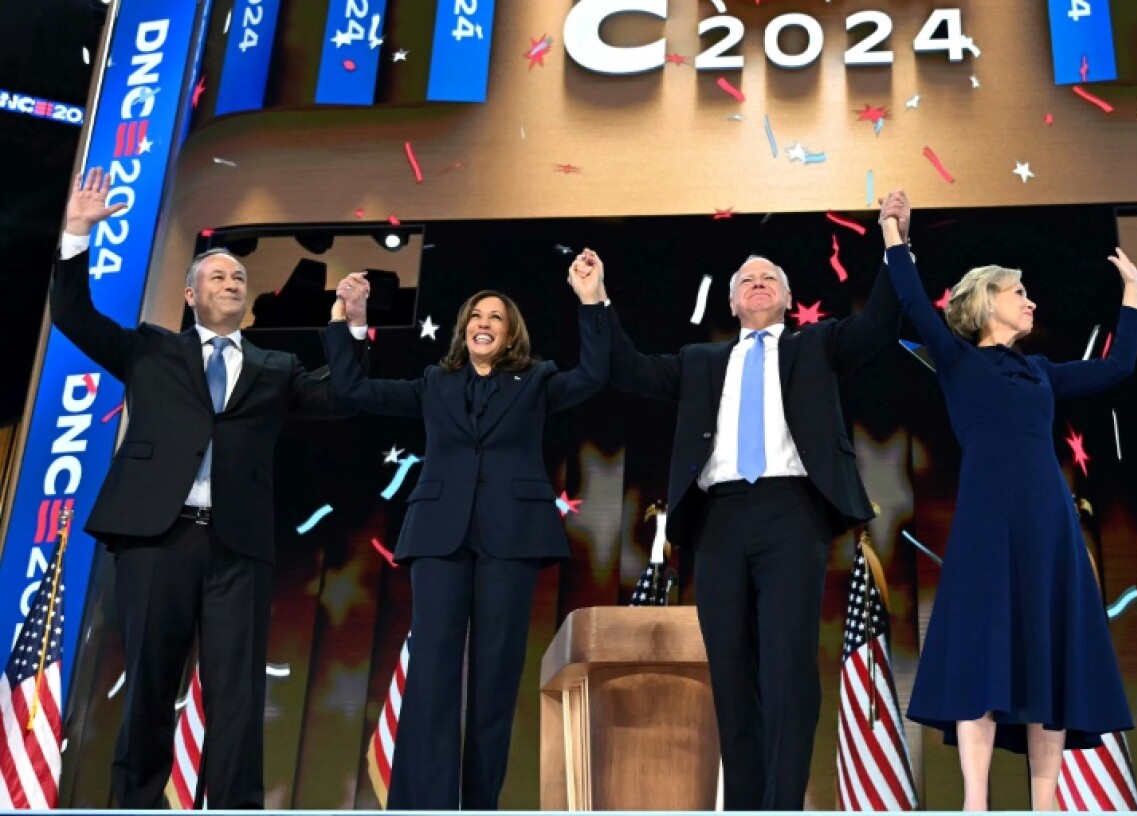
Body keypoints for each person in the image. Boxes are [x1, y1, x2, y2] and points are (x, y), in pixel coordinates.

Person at [573, 191, 908, 810]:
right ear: (731, 302)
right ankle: (749, 806)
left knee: (787, 669)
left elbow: (881, 325)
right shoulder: (701, 361)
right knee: (730, 674)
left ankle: (783, 804)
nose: (758, 284)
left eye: (769, 279)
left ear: (785, 297)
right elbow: (629, 370)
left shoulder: (818, 345)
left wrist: (894, 242)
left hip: (792, 513)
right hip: (718, 520)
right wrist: (596, 303)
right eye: (746, 280)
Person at [50, 168, 365, 808]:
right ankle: (134, 802)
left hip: (236, 548)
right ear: (192, 296)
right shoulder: (149, 350)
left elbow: (341, 397)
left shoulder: (275, 368)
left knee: (237, 691)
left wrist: (351, 327)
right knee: (148, 685)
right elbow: (74, 315)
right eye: (218, 276)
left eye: (239, 278)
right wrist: (77, 232)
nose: (231, 283)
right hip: (155, 540)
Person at [880, 202, 1137, 811]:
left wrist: (1131, 294)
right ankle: (977, 802)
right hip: (985, 524)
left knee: (1047, 651)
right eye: (1018, 291)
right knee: (982, 653)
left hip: (1048, 524)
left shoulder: (1042, 373)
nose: (1030, 301)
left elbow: (1119, 365)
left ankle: (1043, 802)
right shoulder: (957, 359)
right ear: (985, 301)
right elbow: (914, 300)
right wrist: (893, 233)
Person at [325, 264, 610, 809]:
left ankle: (479, 805)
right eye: (476, 316)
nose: (484, 324)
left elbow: (595, 373)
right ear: (463, 329)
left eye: (495, 318)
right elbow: (353, 389)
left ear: (510, 332)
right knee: (432, 670)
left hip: (512, 539)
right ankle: (422, 804)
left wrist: (592, 301)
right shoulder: (436, 382)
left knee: (496, 677)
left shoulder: (539, 381)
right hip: (440, 538)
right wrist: (352, 324)